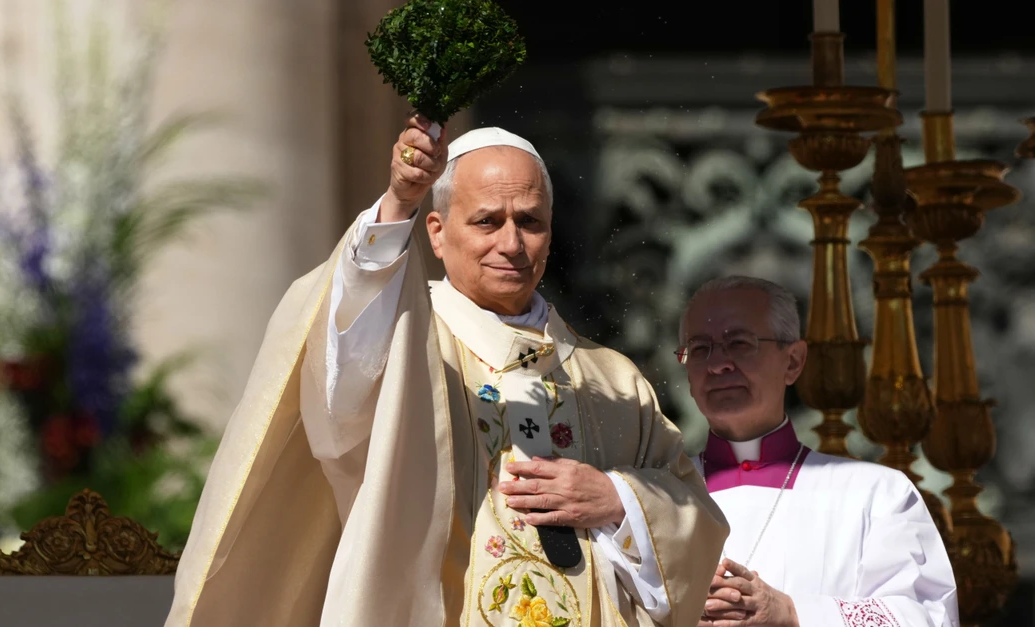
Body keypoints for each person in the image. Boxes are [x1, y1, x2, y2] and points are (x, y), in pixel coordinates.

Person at [165, 116, 728, 627]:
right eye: (487, 221)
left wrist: (617, 499)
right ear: (436, 232)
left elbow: (695, 519)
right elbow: (345, 361)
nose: (511, 243)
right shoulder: (406, 345)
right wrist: (397, 202)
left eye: (530, 222)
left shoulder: (612, 380)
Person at [676, 275, 958, 627]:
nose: (718, 364)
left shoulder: (877, 494)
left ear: (793, 361)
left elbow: (926, 618)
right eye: (699, 349)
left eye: (739, 343)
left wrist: (792, 613)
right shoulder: (655, 497)